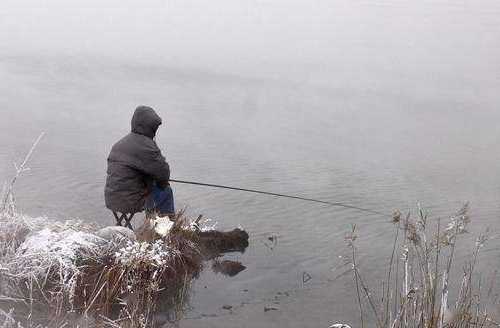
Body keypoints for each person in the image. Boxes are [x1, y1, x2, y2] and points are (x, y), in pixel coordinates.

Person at [104, 106, 174, 223]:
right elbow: (163, 174)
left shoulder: (119, 143)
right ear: (151, 127)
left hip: (112, 199)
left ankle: (152, 225)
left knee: (151, 188)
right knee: (165, 191)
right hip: (130, 201)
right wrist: (162, 183)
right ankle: (164, 227)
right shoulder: (147, 146)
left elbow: (129, 172)